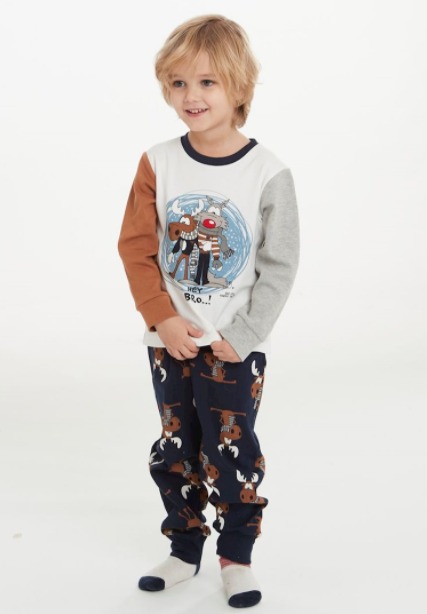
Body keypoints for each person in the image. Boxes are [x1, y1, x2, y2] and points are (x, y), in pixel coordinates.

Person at [118, 14, 299, 609]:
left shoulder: (268, 172)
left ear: (239, 86)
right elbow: (137, 247)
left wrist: (244, 333)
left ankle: (236, 557)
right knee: (176, 446)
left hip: (233, 347)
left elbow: (279, 265)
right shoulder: (157, 162)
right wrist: (162, 317)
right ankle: (183, 547)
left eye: (206, 82)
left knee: (230, 450)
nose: (190, 96)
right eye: (177, 83)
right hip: (168, 341)